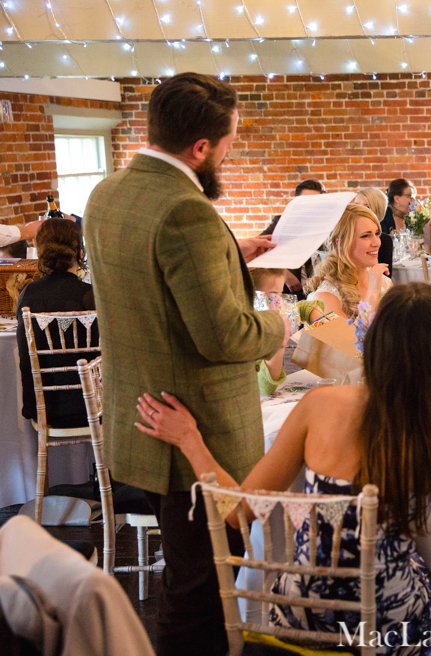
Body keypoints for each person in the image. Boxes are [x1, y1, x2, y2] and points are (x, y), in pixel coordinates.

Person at [132, 283, 431, 655]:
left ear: (374, 343)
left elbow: (238, 513)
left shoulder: (319, 405)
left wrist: (190, 441)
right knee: (428, 590)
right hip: (387, 621)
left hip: (304, 612)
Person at [82, 72, 288, 656]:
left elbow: (153, 291)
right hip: (195, 429)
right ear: (200, 148)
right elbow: (224, 335)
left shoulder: (108, 193)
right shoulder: (185, 211)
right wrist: (281, 322)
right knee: (200, 591)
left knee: (187, 577)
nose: (230, 151)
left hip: (139, 422)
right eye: (228, 142)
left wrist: (230, 256)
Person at [16, 218, 96, 429]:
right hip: (92, 408)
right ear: (80, 253)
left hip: (43, 409)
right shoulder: (90, 297)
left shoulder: (27, 297)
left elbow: (24, 357)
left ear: (40, 252)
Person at [306, 204, 392, 320]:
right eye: (365, 236)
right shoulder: (326, 296)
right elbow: (352, 337)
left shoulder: (384, 283)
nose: (376, 243)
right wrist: (372, 294)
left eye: (377, 234)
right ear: (341, 244)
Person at [249, 268, 325, 396]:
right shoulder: (247, 331)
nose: (279, 303)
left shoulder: (277, 308)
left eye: (280, 294)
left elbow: (304, 307)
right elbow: (265, 387)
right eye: (271, 296)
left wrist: (316, 315)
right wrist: (279, 339)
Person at [258, 179, 328, 296]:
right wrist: (285, 274)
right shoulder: (281, 222)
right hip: (291, 292)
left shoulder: (328, 225)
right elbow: (258, 250)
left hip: (321, 290)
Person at [353, 187, 393, 277]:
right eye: (357, 205)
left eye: (366, 207)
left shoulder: (384, 240)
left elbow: (385, 275)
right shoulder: (348, 235)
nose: (359, 210)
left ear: (377, 210)